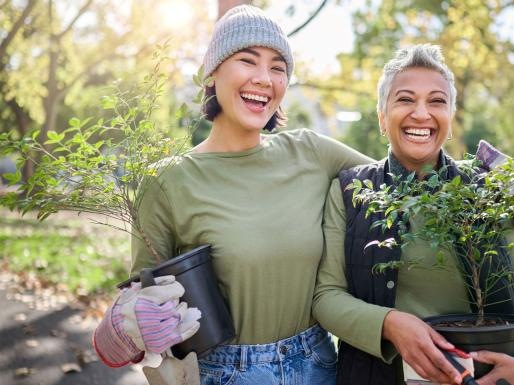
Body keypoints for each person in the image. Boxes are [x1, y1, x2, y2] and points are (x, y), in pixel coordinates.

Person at [92, 5, 373, 385]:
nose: (264, 78)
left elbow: (401, 184)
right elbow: (140, 305)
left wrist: (478, 174)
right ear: (213, 72)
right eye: (247, 60)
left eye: (278, 68)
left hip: (320, 364)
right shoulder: (167, 181)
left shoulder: (312, 153)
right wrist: (128, 326)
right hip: (222, 373)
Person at [312, 44, 514, 385]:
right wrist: (389, 324)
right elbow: (326, 296)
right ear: (382, 118)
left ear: (451, 119)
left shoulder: (488, 192)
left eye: (436, 101)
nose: (421, 113)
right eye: (405, 99)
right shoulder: (351, 191)